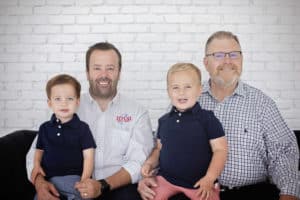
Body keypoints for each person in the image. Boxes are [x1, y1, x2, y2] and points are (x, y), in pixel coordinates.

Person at [138, 31, 300, 200]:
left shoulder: (262, 103)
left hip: (249, 192)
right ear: (206, 63)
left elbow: (284, 152)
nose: (228, 61)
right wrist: (150, 178)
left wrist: (289, 193)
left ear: (242, 59)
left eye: (234, 54)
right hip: (192, 191)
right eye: (219, 55)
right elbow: (166, 147)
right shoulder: (185, 100)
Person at [26, 42, 154, 200]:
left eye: (110, 68)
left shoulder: (137, 112)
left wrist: (102, 185)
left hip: (117, 187)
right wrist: (40, 183)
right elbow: (36, 151)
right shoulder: (68, 106)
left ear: (119, 72)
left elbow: (138, 162)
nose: (104, 75)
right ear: (87, 72)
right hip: (72, 186)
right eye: (97, 68)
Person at [140, 63, 227, 200]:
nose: (181, 92)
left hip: (199, 184)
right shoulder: (164, 121)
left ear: (199, 90)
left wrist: (210, 178)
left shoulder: (207, 119)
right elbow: (158, 148)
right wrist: (150, 163)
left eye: (188, 87)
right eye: (175, 87)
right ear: (168, 91)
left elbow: (220, 150)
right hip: (166, 180)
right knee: (150, 196)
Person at [30, 74, 96, 200]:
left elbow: (89, 156)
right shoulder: (44, 128)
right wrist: (36, 165)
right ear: (50, 103)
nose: (64, 103)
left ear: (77, 102)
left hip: (75, 180)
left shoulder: (82, 128)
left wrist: (84, 180)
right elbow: (39, 150)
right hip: (49, 182)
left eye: (69, 99)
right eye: (58, 99)